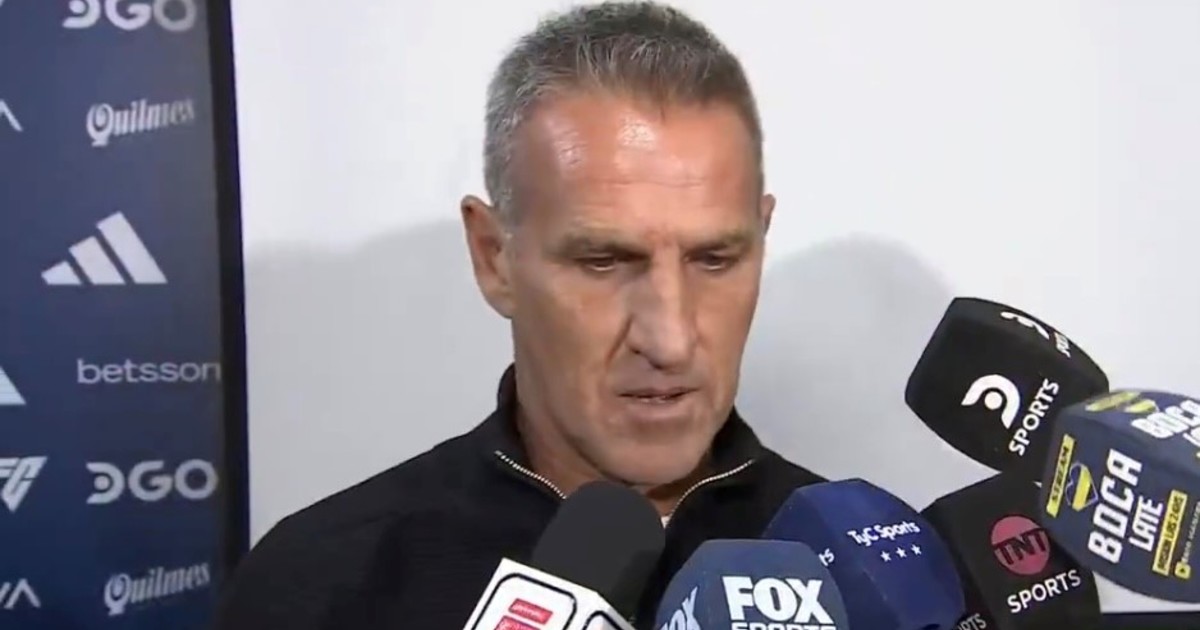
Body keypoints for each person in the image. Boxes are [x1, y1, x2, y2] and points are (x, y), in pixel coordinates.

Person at [213, 2, 824, 628]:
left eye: (715, 259)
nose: (669, 339)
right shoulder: (322, 584)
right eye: (603, 261)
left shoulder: (858, 575)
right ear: (493, 257)